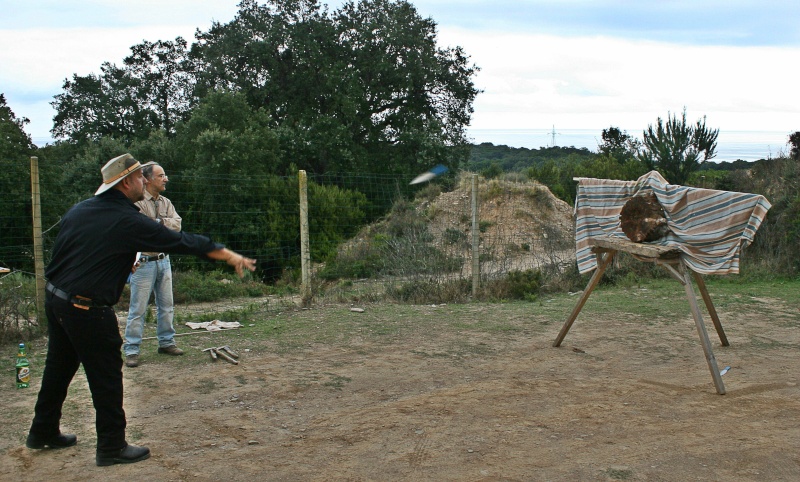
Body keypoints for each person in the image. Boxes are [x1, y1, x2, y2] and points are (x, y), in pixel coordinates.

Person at [26, 153, 256, 467]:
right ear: (126, 183)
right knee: (106, 375)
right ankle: (111, 447)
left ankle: (43, 432)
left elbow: (70, 253)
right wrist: (227, 255)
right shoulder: (127, 219)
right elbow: (179, 241)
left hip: (57, 300)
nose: (144, 181)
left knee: (58, 368)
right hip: (85, 308)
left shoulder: (81, 210)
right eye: (139, 177)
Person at [124, 163, 182, 367]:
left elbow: (178, 224)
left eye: (165, 175)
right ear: (147, 179)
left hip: (163, 260)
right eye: (161, 176)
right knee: (137, 309)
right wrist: (162, 224)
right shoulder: (137, 204)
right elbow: (140, 228)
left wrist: (156, 223)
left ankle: (166, 342)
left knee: (166, 306)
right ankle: (132, 350)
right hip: (143, 262)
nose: (166, 179)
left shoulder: (166, 202)